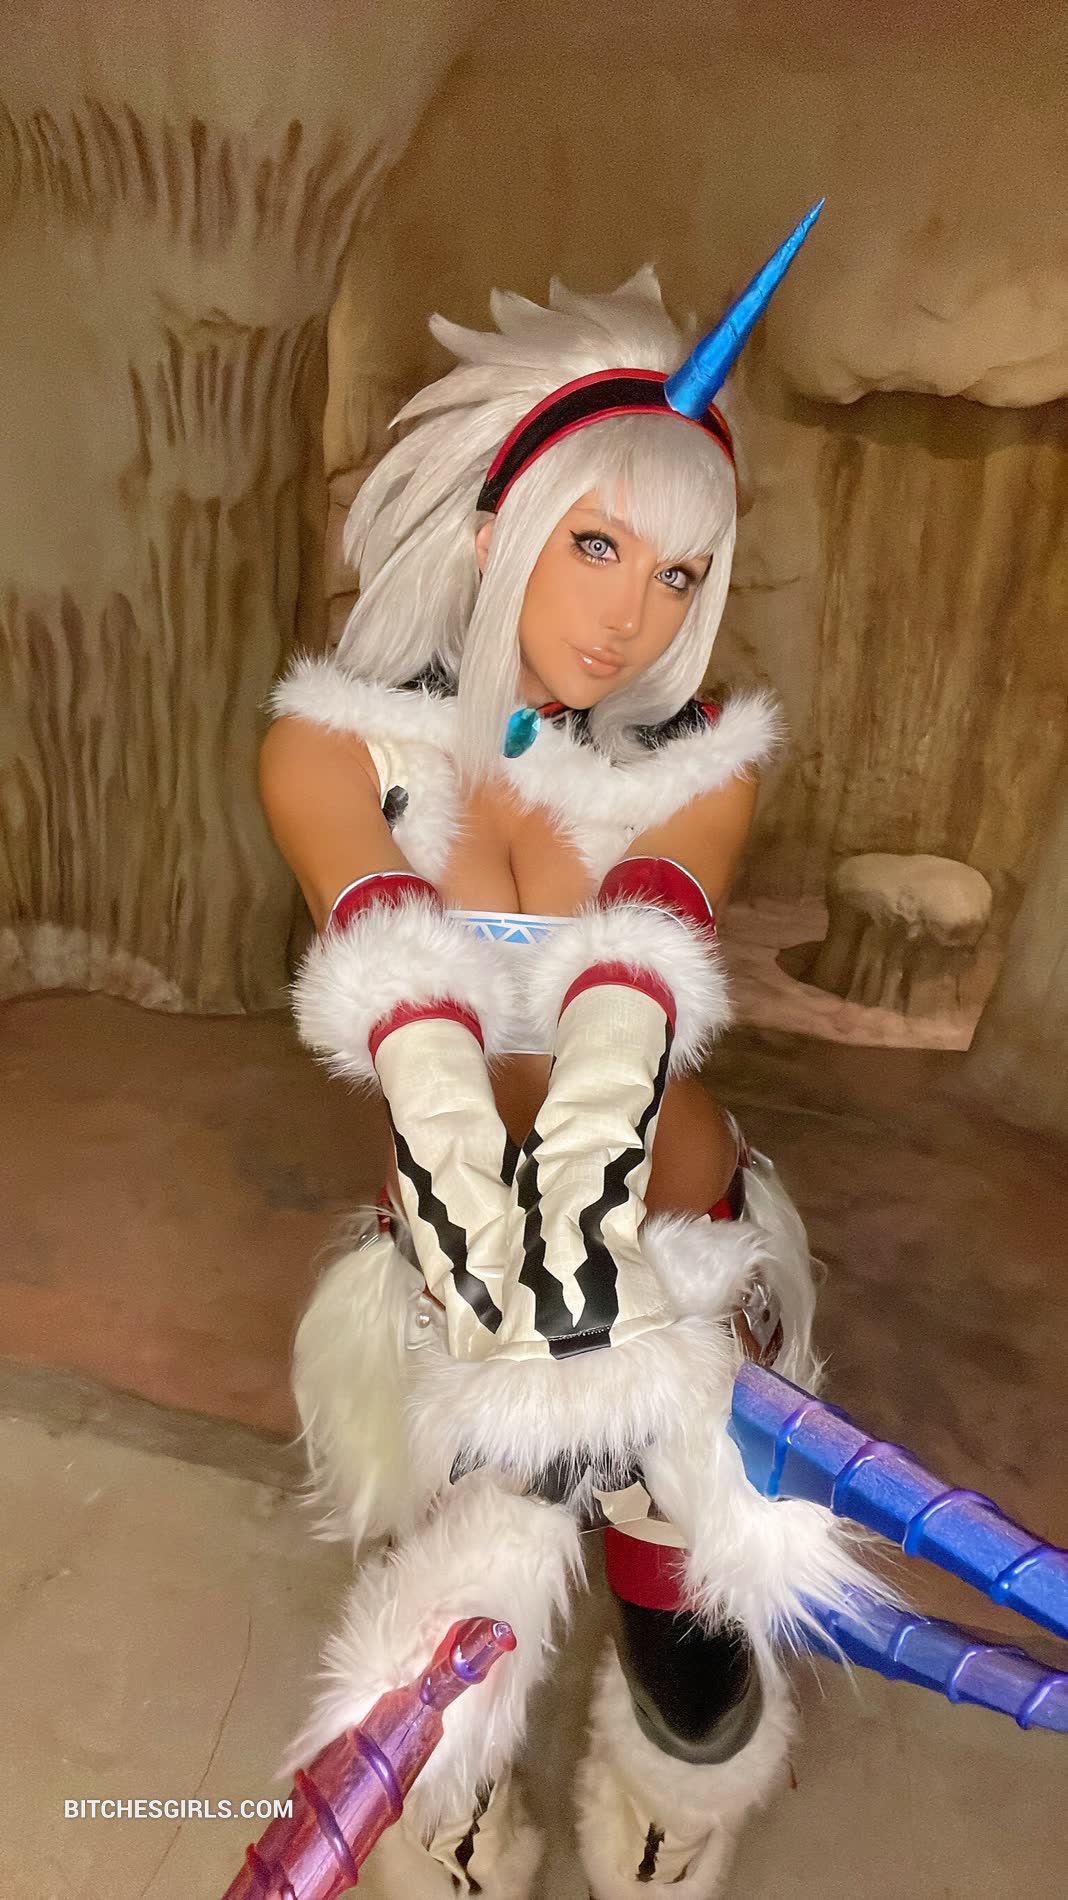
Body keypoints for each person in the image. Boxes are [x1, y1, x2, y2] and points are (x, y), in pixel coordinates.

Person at [258, 213, 878, 1897]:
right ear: (496, 526)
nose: (634, 617)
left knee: (691, 1637)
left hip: (671, 1259)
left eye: (679, 573)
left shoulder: (702, 760)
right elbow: (402, 989)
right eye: (598, 544)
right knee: (445, 1643)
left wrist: (590, 1184)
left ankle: (670, 1819)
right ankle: (456, 1834)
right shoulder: (333, 747)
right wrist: (472, 1196)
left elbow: (632, 991)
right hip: (453, 1272)